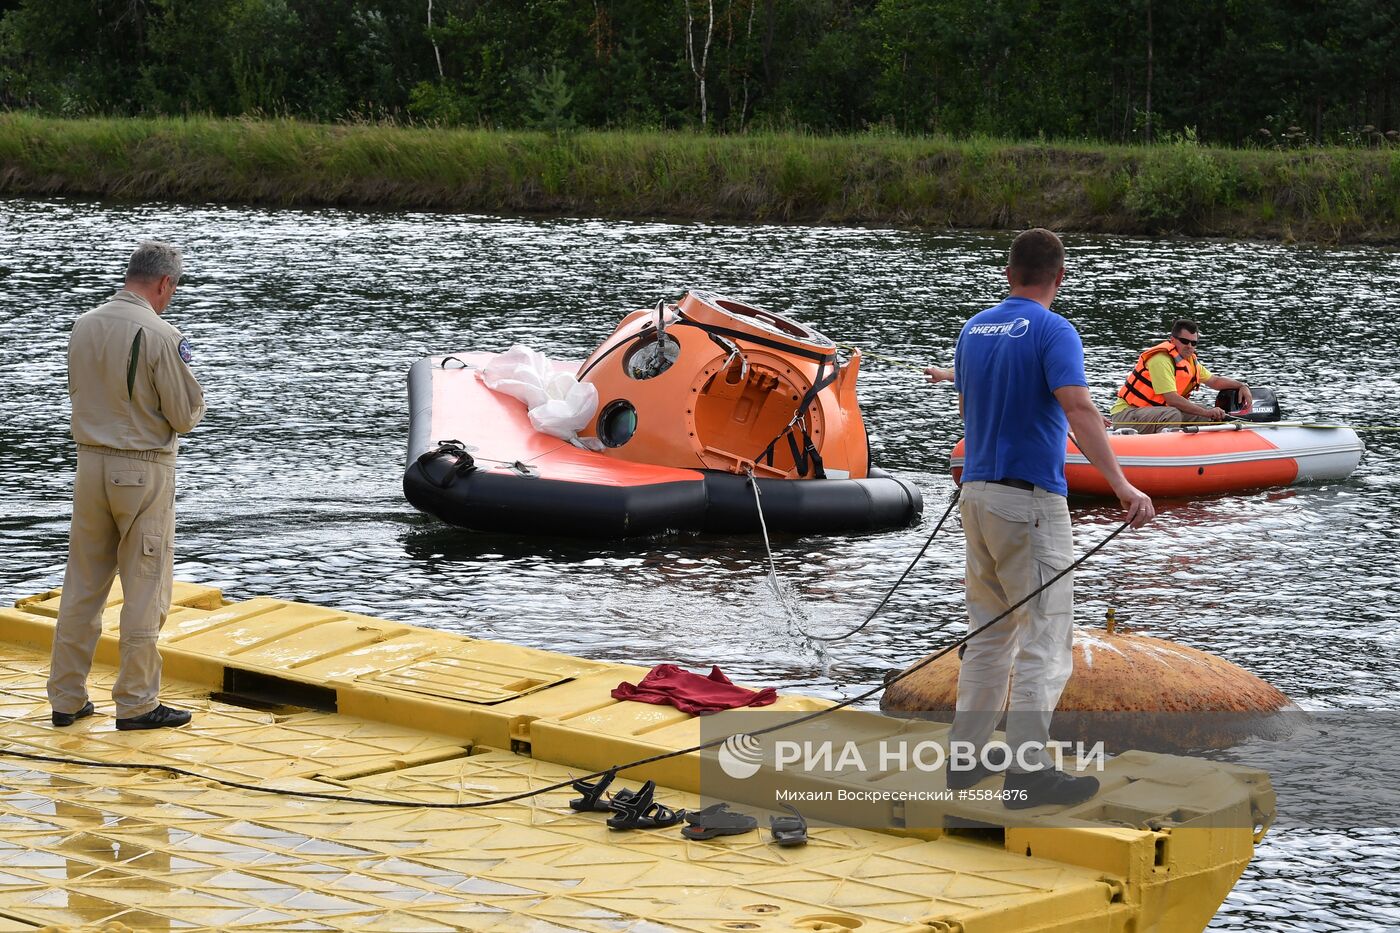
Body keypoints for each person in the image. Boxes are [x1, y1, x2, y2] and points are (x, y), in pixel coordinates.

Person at [947, 228, 1154, 809]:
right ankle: (1028, 772)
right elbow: (1080, 408)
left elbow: (968, 409)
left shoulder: (974, 329)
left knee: (988, 635)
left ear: (1008, 272)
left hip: (977, 496)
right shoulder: (1053, 329)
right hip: (1030, 504)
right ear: (1058, 278)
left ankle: (965, 761)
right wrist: (1122, 485)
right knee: (1047, 635)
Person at [47, 241, 205, 731]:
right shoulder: (160, 333)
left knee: (82, 585)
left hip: (89, 464)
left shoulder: (84, 324)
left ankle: (67, 698)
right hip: (141, 469)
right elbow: (185, 415)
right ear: (164, 284)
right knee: (144, 586)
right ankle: (136, 702)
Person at [1108, 319, 1252, 434]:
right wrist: (1207, 412)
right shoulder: (1160, 360)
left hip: (1156, 413)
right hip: (1127, 414)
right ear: (1172, 339)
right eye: (1185, 341)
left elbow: (1214, 381)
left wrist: (1241, 385)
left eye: (1194, 343)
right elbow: (1171, 399)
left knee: (1202, 414)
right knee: (1173, 414)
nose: (1189, 346)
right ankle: (1167, 454)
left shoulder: (1189, 362)